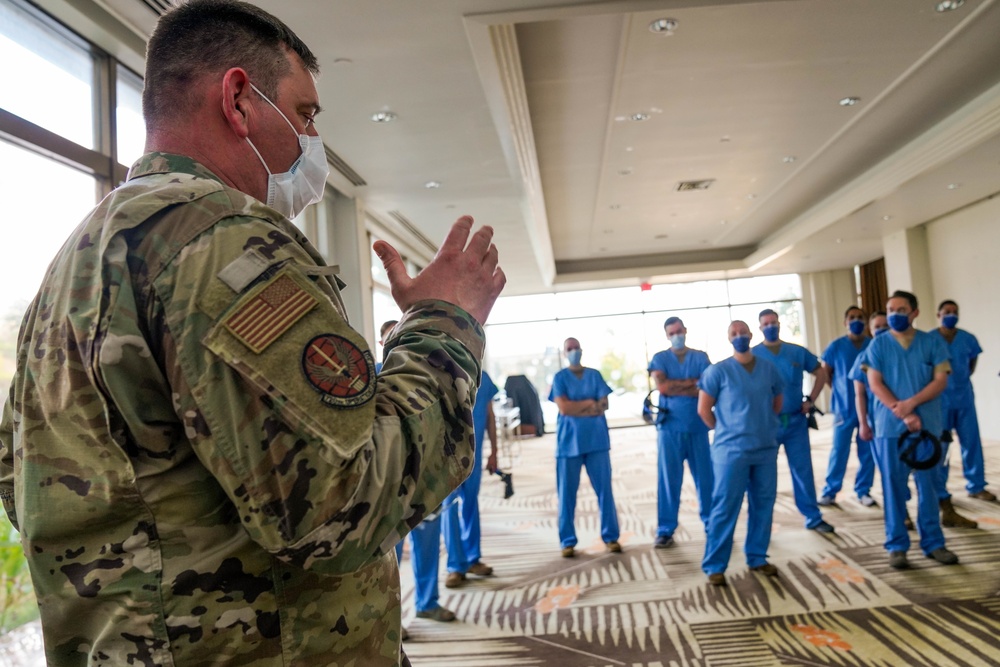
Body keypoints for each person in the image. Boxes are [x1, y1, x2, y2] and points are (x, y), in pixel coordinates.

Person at [0, 2, 505, 664]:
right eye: (305, 113)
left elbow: (26, 485)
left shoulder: (75, 267)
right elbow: (343, 505)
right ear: (239, 99)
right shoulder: (221, 241)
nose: (312, 138)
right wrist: (446, 324)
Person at [866, 290, 959, 569]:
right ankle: (897, 545)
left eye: (901, 309)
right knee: (893, 486)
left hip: (928, 425)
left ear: (915, 312)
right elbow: (875, 383)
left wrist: (912, 405)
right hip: (891, 428)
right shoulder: (879, 346)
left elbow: (940, 380)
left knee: (929, 485)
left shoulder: (932, 343)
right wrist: (901, 411)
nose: (894, 314)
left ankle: (934, 543)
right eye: (891, 309)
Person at [698, 320, 784, 586]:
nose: (740, 336)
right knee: (725, 507)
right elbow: (704, 411)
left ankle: (757, 556)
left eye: (743, 332)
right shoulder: (717, 372)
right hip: (731, 451)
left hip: (764, 448)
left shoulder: (768, 369)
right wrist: (726, 430)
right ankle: (715, 565)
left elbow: (777, 402)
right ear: (728, 338)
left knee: (763, 504)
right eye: (734, 333)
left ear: (751, 334)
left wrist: (762, 426)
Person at [752, 310, 834, 532]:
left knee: (802, 470)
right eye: (766, 324)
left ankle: (813, 516)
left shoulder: (796, 352)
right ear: (760, 328)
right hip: (768, 425)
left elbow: (821, 373)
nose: (770, 326)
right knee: (764, 475)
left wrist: (811, 399)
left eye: (773, 322)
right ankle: (762, 523)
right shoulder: (754, 355)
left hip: (796, 421)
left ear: (779, 324)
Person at [548, 337, 621, 557]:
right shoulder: (560, 378)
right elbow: (565, 409)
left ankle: (611, 537)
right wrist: (590, 403)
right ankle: (567, 541)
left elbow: (604, 405)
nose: (573, 351)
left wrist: (577, 406)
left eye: (576, 348)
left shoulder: (595, 375)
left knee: (605, 491)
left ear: (582, 350)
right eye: (569, 349)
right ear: (564, 353)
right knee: (567, 494)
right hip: (568, 444)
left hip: (597, 441)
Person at [647, 316, 713, 548]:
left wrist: (677, 385)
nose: (677, 335)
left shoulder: (700, 356)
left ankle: (712, 524)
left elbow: (706, 387)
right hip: (670, 428)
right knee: (668, 480)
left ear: (685, 330)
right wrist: (692, 384)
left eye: (679, 331)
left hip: (697, 426)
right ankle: (665, 529)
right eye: (672, 333)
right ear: (667, 335)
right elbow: (663, 387)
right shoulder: (659, 358)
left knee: (706, 479)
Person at [930, 300, 994, 522]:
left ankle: (976, 485)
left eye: (954, 312)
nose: (951, 315)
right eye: (947, 312)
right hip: (941, 400)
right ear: (938, 314)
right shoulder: (930, 339)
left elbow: (971, 363)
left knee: (971, 442)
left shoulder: (968, 339)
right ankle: (942, 492)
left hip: (964, 397)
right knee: (943, 447)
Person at [442, 370, 499, 587]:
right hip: (447, 455)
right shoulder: (442, 372)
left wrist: (494, 452)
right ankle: (456, 566)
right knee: (449, 508)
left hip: (473, 453)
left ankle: (473, 558)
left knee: (471, 504)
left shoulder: (483, 377)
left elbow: (490, 417)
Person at [818, 306, 877, 507]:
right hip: (843, 407)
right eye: (852, 317)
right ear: (845, 322)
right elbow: (825, 372)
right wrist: (838, 388)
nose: (856, 321)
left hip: (869, 408)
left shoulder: (873, 345)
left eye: (860, 317)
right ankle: (830, 491)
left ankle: (863, 490)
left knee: (867, 452)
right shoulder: (836, 346)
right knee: (839, 450)